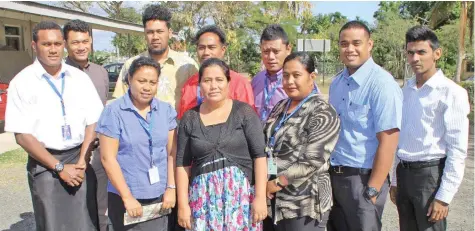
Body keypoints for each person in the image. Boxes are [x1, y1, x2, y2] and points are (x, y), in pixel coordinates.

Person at [5, 21, 103, 231]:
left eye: (57, 44)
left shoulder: (79, 78)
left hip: (79, 160)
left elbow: (93, 121)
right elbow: (22, 135)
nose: (53, 49)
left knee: (86, 223)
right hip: (45, 164)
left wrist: (82, 161)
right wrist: (59, 167)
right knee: (53, 224)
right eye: (47, 44)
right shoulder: (21, 83)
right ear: (34, 45)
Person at [389, 26, 470, 231]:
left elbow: (457, 150)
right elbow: (400, 137)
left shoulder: (452, 93)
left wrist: (443, 197)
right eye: (410, 52)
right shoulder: (404, 91)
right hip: (404, 174)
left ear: (437, 54)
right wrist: (395, 180)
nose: (415, 58)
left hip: (430, 177)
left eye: (421, 52)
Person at [327, 20, 403, 231]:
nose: (349, 49)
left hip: (363, 179)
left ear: (370, 44)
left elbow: (388, 141)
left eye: (356, 43)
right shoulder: (337, 83)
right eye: (344, 43)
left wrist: (373, 188)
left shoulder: (382, 84)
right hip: (335, 176)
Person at [176, 58, 268, 230]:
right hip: (202, 200)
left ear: (228, 82)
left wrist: (260, 197)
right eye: (207, 81)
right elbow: (182, 164)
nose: (213, 86)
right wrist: (183, 205)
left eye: (219, 80)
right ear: (199, 84)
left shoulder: (244, 113)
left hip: (240, 199)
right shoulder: (189, 118)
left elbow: (260, 156)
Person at [96, 57, 177, 231]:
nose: (147, 87)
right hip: (126, 196)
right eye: (141, 81)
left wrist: (171, 187)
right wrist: (127, 197)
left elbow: (172, 153)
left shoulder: (166, 111)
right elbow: (107, 158)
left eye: (152, 82)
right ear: (129, 79)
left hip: (160, 195)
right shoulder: (114, 112)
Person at [263, 52, 340, 231]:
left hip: (305, 203)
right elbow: (270, 146)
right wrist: (270, 177)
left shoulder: (323, 112)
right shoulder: (280, 107)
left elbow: (312, 160)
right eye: (286, 76)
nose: (290, 81)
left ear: (311, 77)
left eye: (296, 75)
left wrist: (277, 182)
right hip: (278, 200)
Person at [63, 19, 110, 231]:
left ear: (91, 42)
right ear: (66, 44)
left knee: (101, 205)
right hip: (71, 152)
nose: (81, 47)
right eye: (75, 42)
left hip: (99, 150)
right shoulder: (58, 74)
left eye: (85, 41)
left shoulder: (101, 73)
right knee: (74, 208)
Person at [112, 4, 198, 109]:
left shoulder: (188, 66)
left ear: (170, 33)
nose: (155, 37)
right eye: (150, 32)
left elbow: (199, 101)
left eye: (160, 31)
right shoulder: (131, 65)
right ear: (144, 34)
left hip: (178, 124)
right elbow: (119, 102)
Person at [178, 25, 255, 119]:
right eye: (201, 48)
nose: (206, 52)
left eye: (211, 47)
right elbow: (183, 120)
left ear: (223, 50)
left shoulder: (239, 83)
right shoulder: (189, 84)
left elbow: (248, 120)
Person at [251, 24, 291, 123]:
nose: (270, 57)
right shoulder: (256, 81)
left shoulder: (297, 82)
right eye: (266, 51)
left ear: (288, 49)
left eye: (276, 51)